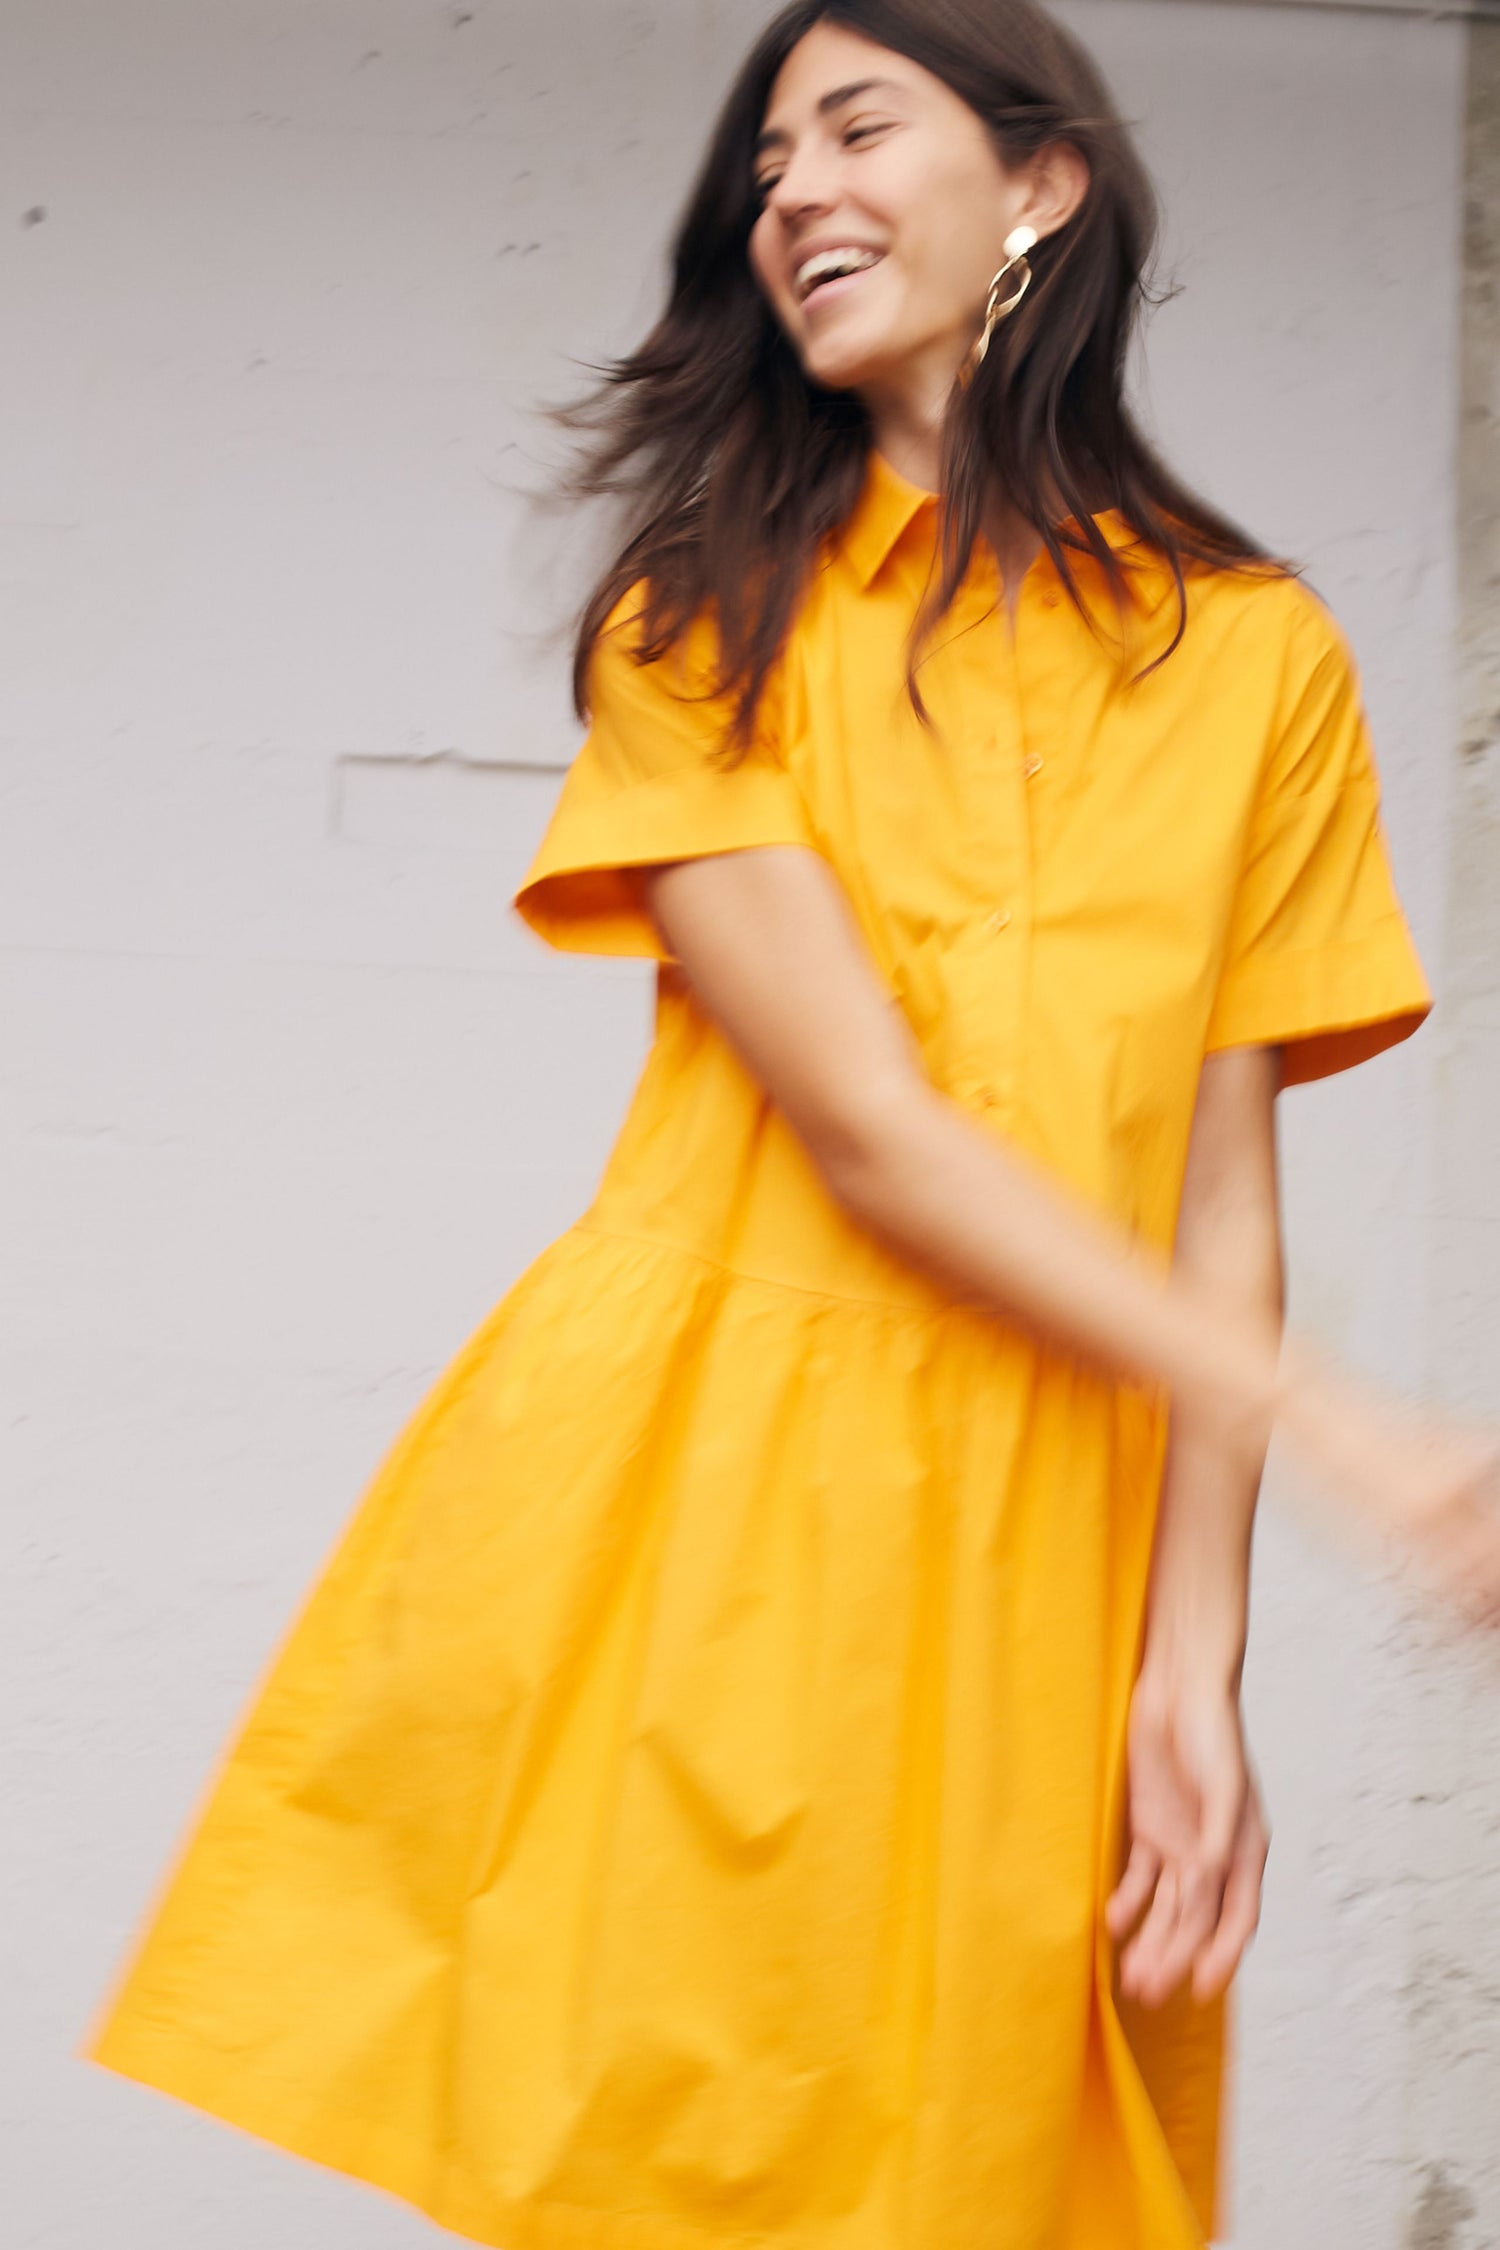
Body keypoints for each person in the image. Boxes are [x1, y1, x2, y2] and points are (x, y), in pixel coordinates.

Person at [82, 4, 1500, 2247]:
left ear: (1040, 186)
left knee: (990, 2185)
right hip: (732, 1497)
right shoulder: (704, 624)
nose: (796, 191)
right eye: (765, 166)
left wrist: (1194, 1666)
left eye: (858, 126)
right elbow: (868, 1130)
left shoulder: (1257, 659)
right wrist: (1351, 1433)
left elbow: (1227, 1184)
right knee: (710, 2158)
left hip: (1056, 1528)